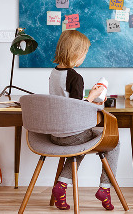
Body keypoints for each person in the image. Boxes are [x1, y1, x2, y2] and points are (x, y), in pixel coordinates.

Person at [49, 30, 120, 211]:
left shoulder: (54, 73)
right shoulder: (75, 77)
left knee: (79, 146)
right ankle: (105, 188)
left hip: (55, 134)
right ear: (75, 53)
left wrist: (90, 98)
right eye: (84, 53)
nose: (84, 57)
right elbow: (77, 109)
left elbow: (66, 102)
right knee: (114, 142)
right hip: (72, 134)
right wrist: (94, 96)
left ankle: (62, 186)